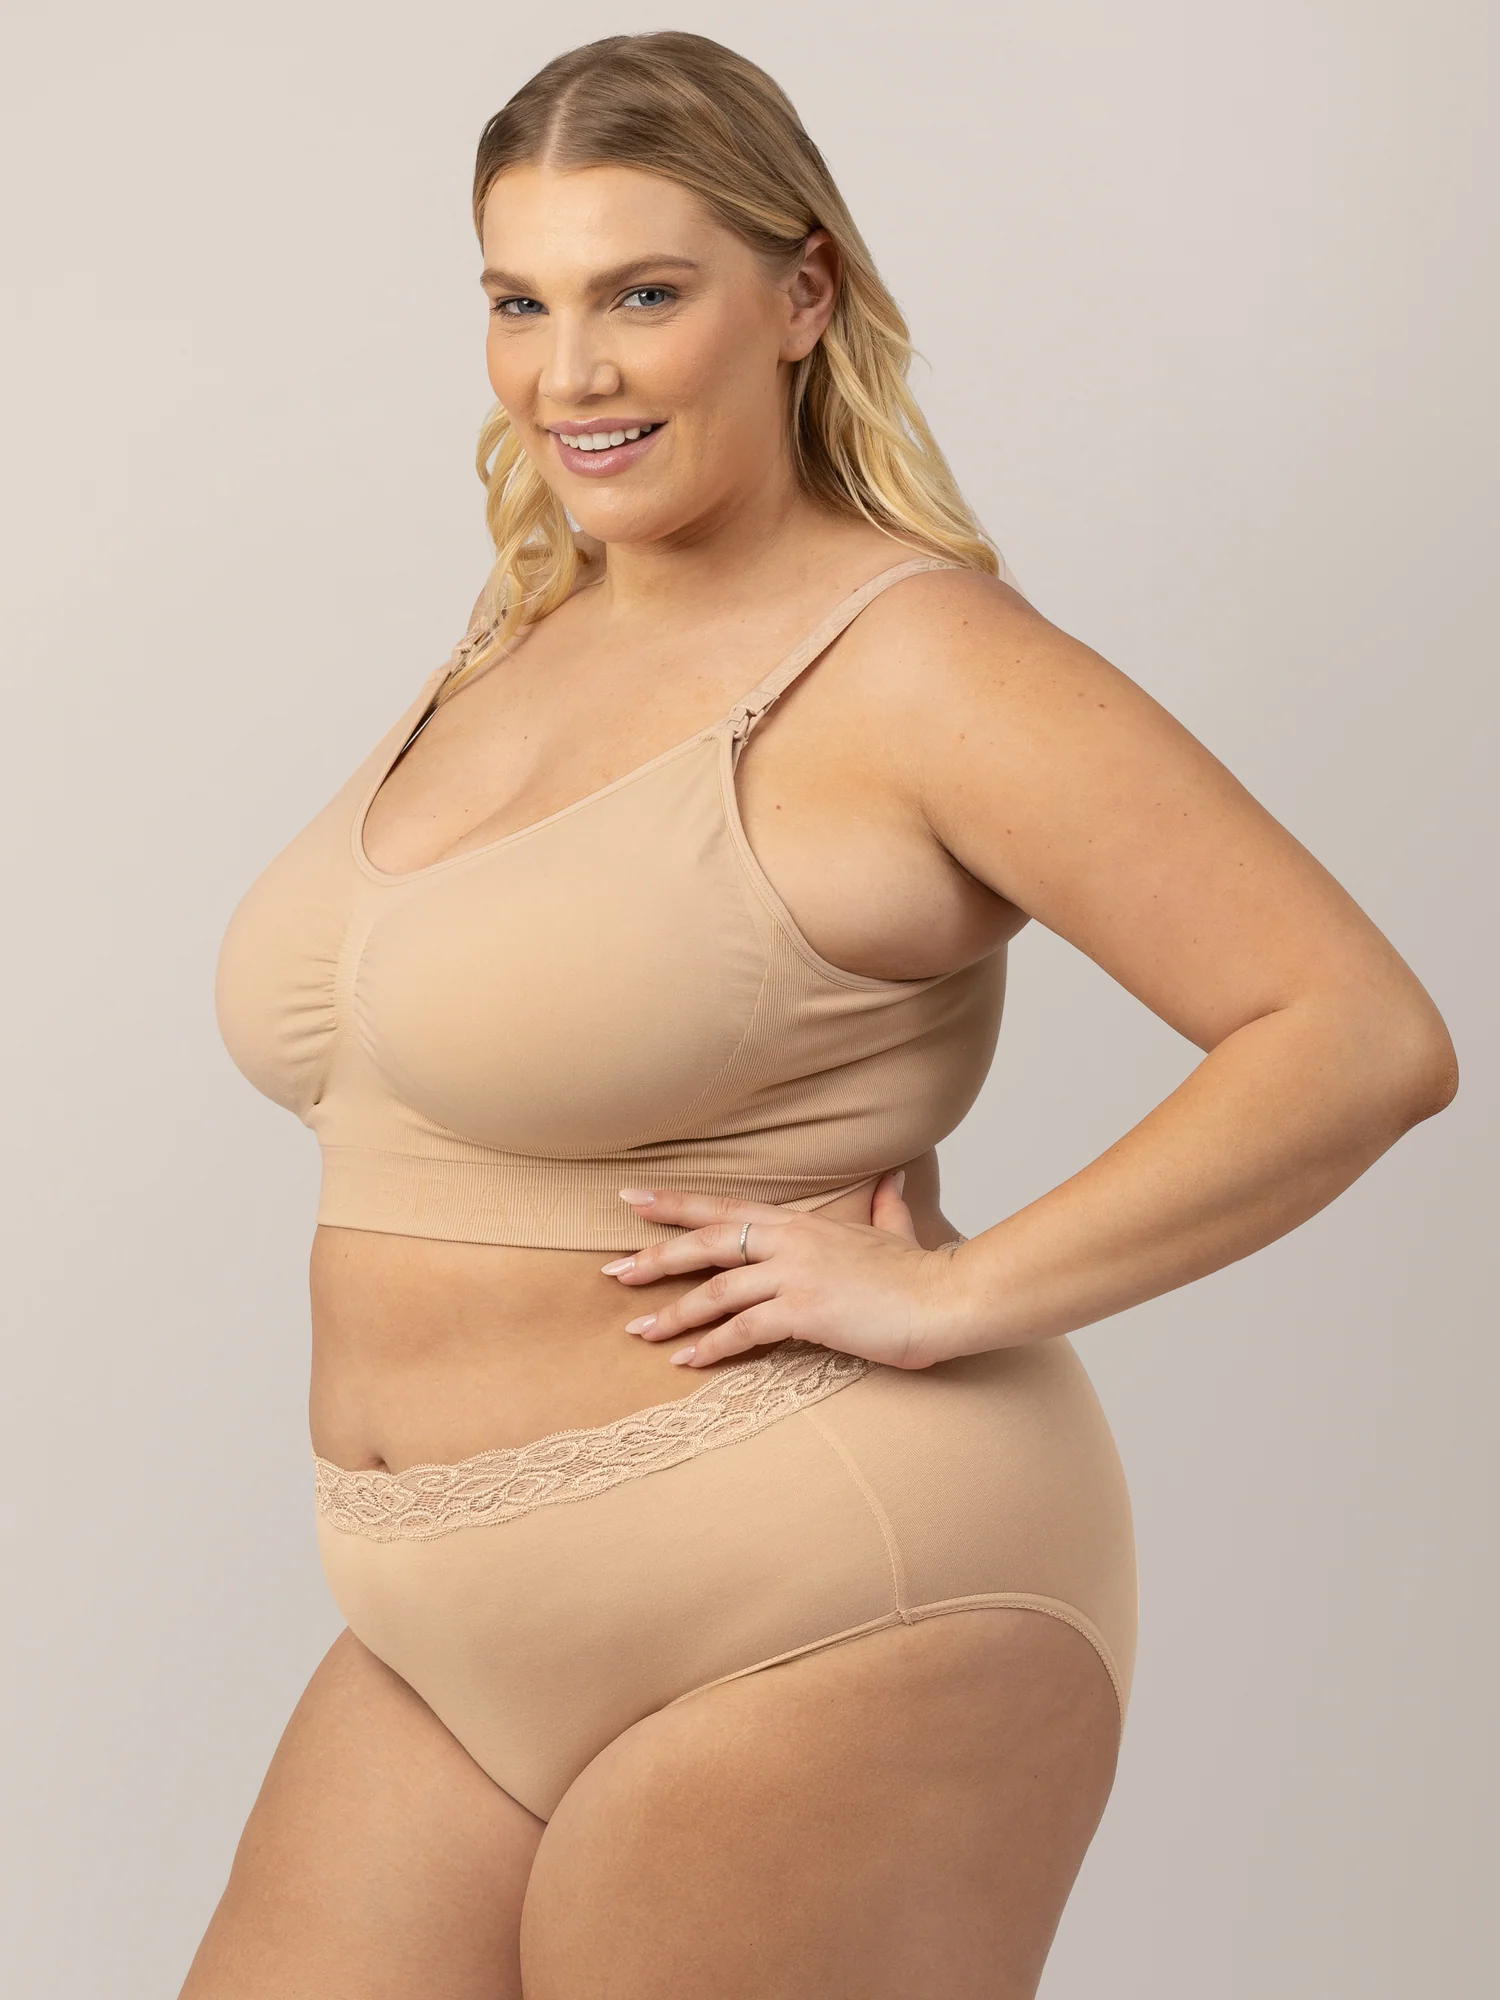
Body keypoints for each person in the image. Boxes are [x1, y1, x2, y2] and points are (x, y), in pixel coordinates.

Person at [186, 29, 1457, 2000]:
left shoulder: (918, 661)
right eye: (519, 302)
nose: (569, 373)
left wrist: (960, 1293)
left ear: (801, 296)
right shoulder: (518, 635)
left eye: (643, 295)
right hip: (441, 1624)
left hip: (823, 1588)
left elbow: (1355, 1029)